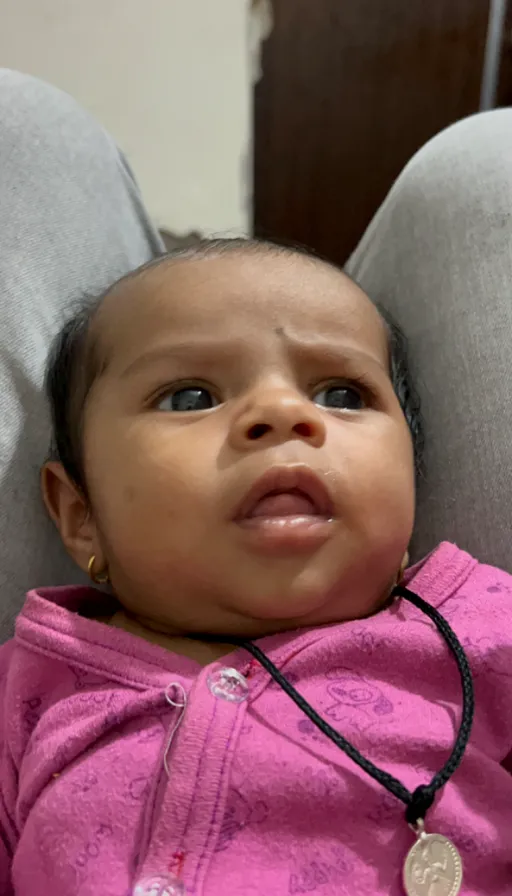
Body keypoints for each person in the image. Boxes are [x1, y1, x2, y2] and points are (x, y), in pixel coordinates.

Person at [0, 237, 510, 896]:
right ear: (80, 514)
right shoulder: (31, 687)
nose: (281, 414)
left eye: (342, 393)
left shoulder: (479, 629)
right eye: (189, 397)